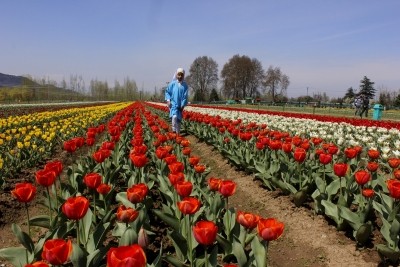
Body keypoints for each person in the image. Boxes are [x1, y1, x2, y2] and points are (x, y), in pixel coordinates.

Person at [165, 67, 189, 134]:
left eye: (181, 75)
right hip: (173, 104)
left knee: (178, 120)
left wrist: (182, 105)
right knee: (174, 116)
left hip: (180, 106)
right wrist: (168, 100)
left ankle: (177, 133)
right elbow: (167, 92)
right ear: (176, 75)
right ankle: (173, 129)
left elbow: (185, 96)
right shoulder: (172, 84)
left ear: (183, 76)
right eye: (179, 74)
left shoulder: (185, 86)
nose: (180, 76)